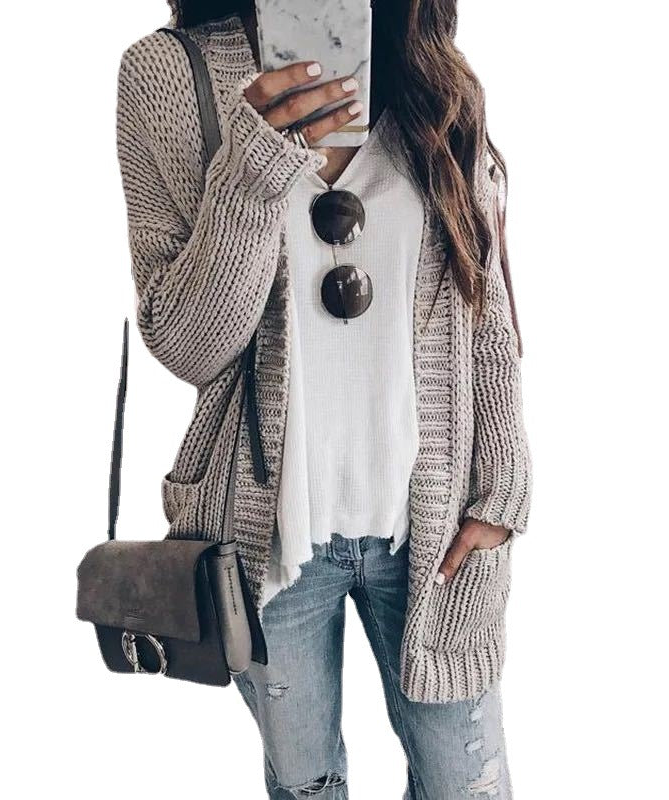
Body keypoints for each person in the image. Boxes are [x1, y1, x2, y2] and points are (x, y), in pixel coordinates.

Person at [115, 1, 531, 797]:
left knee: (468, 784)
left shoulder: (428, 69)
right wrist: (251, 170)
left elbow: (483, 309)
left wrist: (503, 489)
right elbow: (190, 346)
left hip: (435, 533)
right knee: (307, 787)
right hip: (269, 541)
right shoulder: (168, 74)